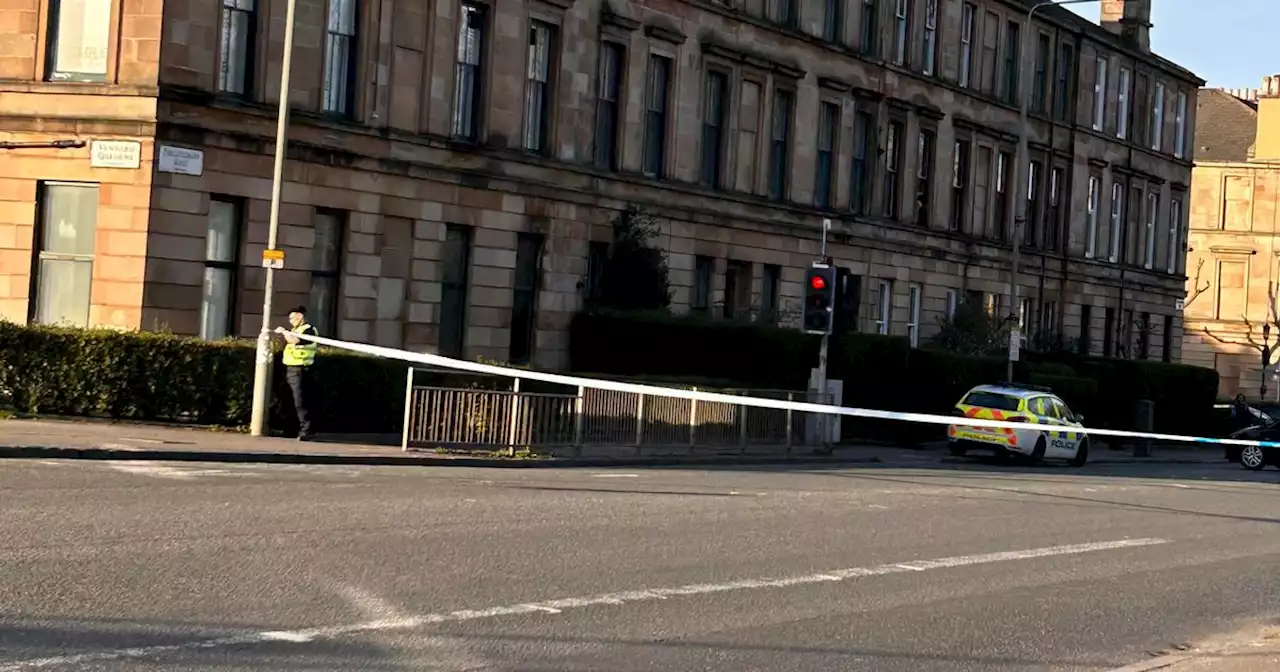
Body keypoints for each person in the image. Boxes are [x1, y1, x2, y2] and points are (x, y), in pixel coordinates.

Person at [276, 307, 318, 440]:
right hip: (290, 369)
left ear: (299, 317)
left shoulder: (309, 330)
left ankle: (307, 430)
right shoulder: (295, 330)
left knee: (300, 402)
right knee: (288, 400)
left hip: (300, 369)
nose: (290, 321)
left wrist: (284, 332)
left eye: (292, 318)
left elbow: (295, 341)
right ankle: (290, 429)